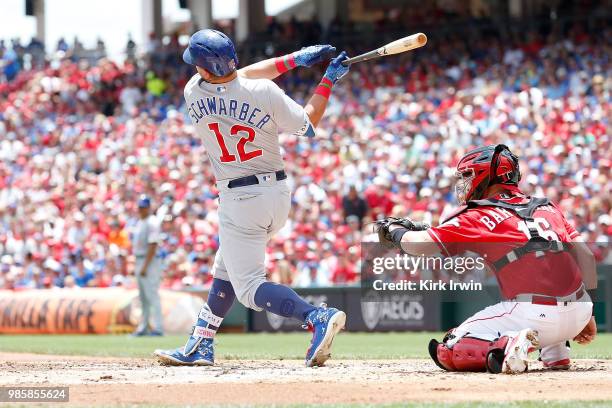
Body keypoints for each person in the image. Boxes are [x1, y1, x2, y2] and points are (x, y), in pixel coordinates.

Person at [154, 29, 349, 367]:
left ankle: (316, 315)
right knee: (225, 267)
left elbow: (232, 80)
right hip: (276, 194)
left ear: (203, 67)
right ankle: (200, 343)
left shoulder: (192, 92)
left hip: (239, 197)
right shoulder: (264, 91)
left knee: (248, 289)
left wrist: (294, 60)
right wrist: (327, 79)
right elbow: (309, 123)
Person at [376, 144, 597, 373]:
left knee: (451, 347)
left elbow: (421, 245)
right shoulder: (547, 206)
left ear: (486, 175)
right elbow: (587, 257)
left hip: (534, 315)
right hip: (579, 311)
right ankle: (556, 353)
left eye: (467, 175)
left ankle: (509, 345)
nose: (464, 182)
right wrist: (587, 313)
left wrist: (394, 231)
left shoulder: (479, 213)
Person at [132, 195, 164, 336]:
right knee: (143, 297)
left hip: (149, 261)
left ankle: (158, 328)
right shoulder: (140, 222)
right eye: (139, 206)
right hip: (140, 260)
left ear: (148, 208)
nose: (141, 209)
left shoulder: (152, 222)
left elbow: (152, 245)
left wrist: (144, 266)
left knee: (152, 295)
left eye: (143, 207)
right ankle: (143, 327)